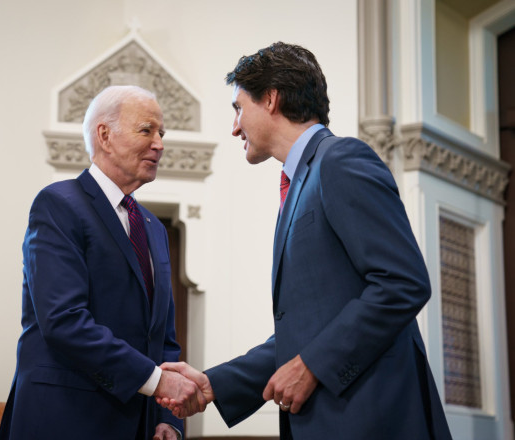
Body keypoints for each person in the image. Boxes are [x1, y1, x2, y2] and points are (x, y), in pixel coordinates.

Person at [159, 42, 453, 439]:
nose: (234, 127)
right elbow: (306, 330)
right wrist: (215, 384)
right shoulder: (301, 181)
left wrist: (313, 365)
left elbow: (403, 282)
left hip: (371, 420)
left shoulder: (341, 160)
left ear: (272, 99)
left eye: (238, 108)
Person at [0, 85, 205, 440]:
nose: (160, 143)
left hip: (138, 425)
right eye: (147, 130)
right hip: (65, 420)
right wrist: (156, 382)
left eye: (162, 133)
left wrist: (166, 415)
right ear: (105, 135)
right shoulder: (58, 205)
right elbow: (64, 320)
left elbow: (162, 338)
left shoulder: (152, 227)